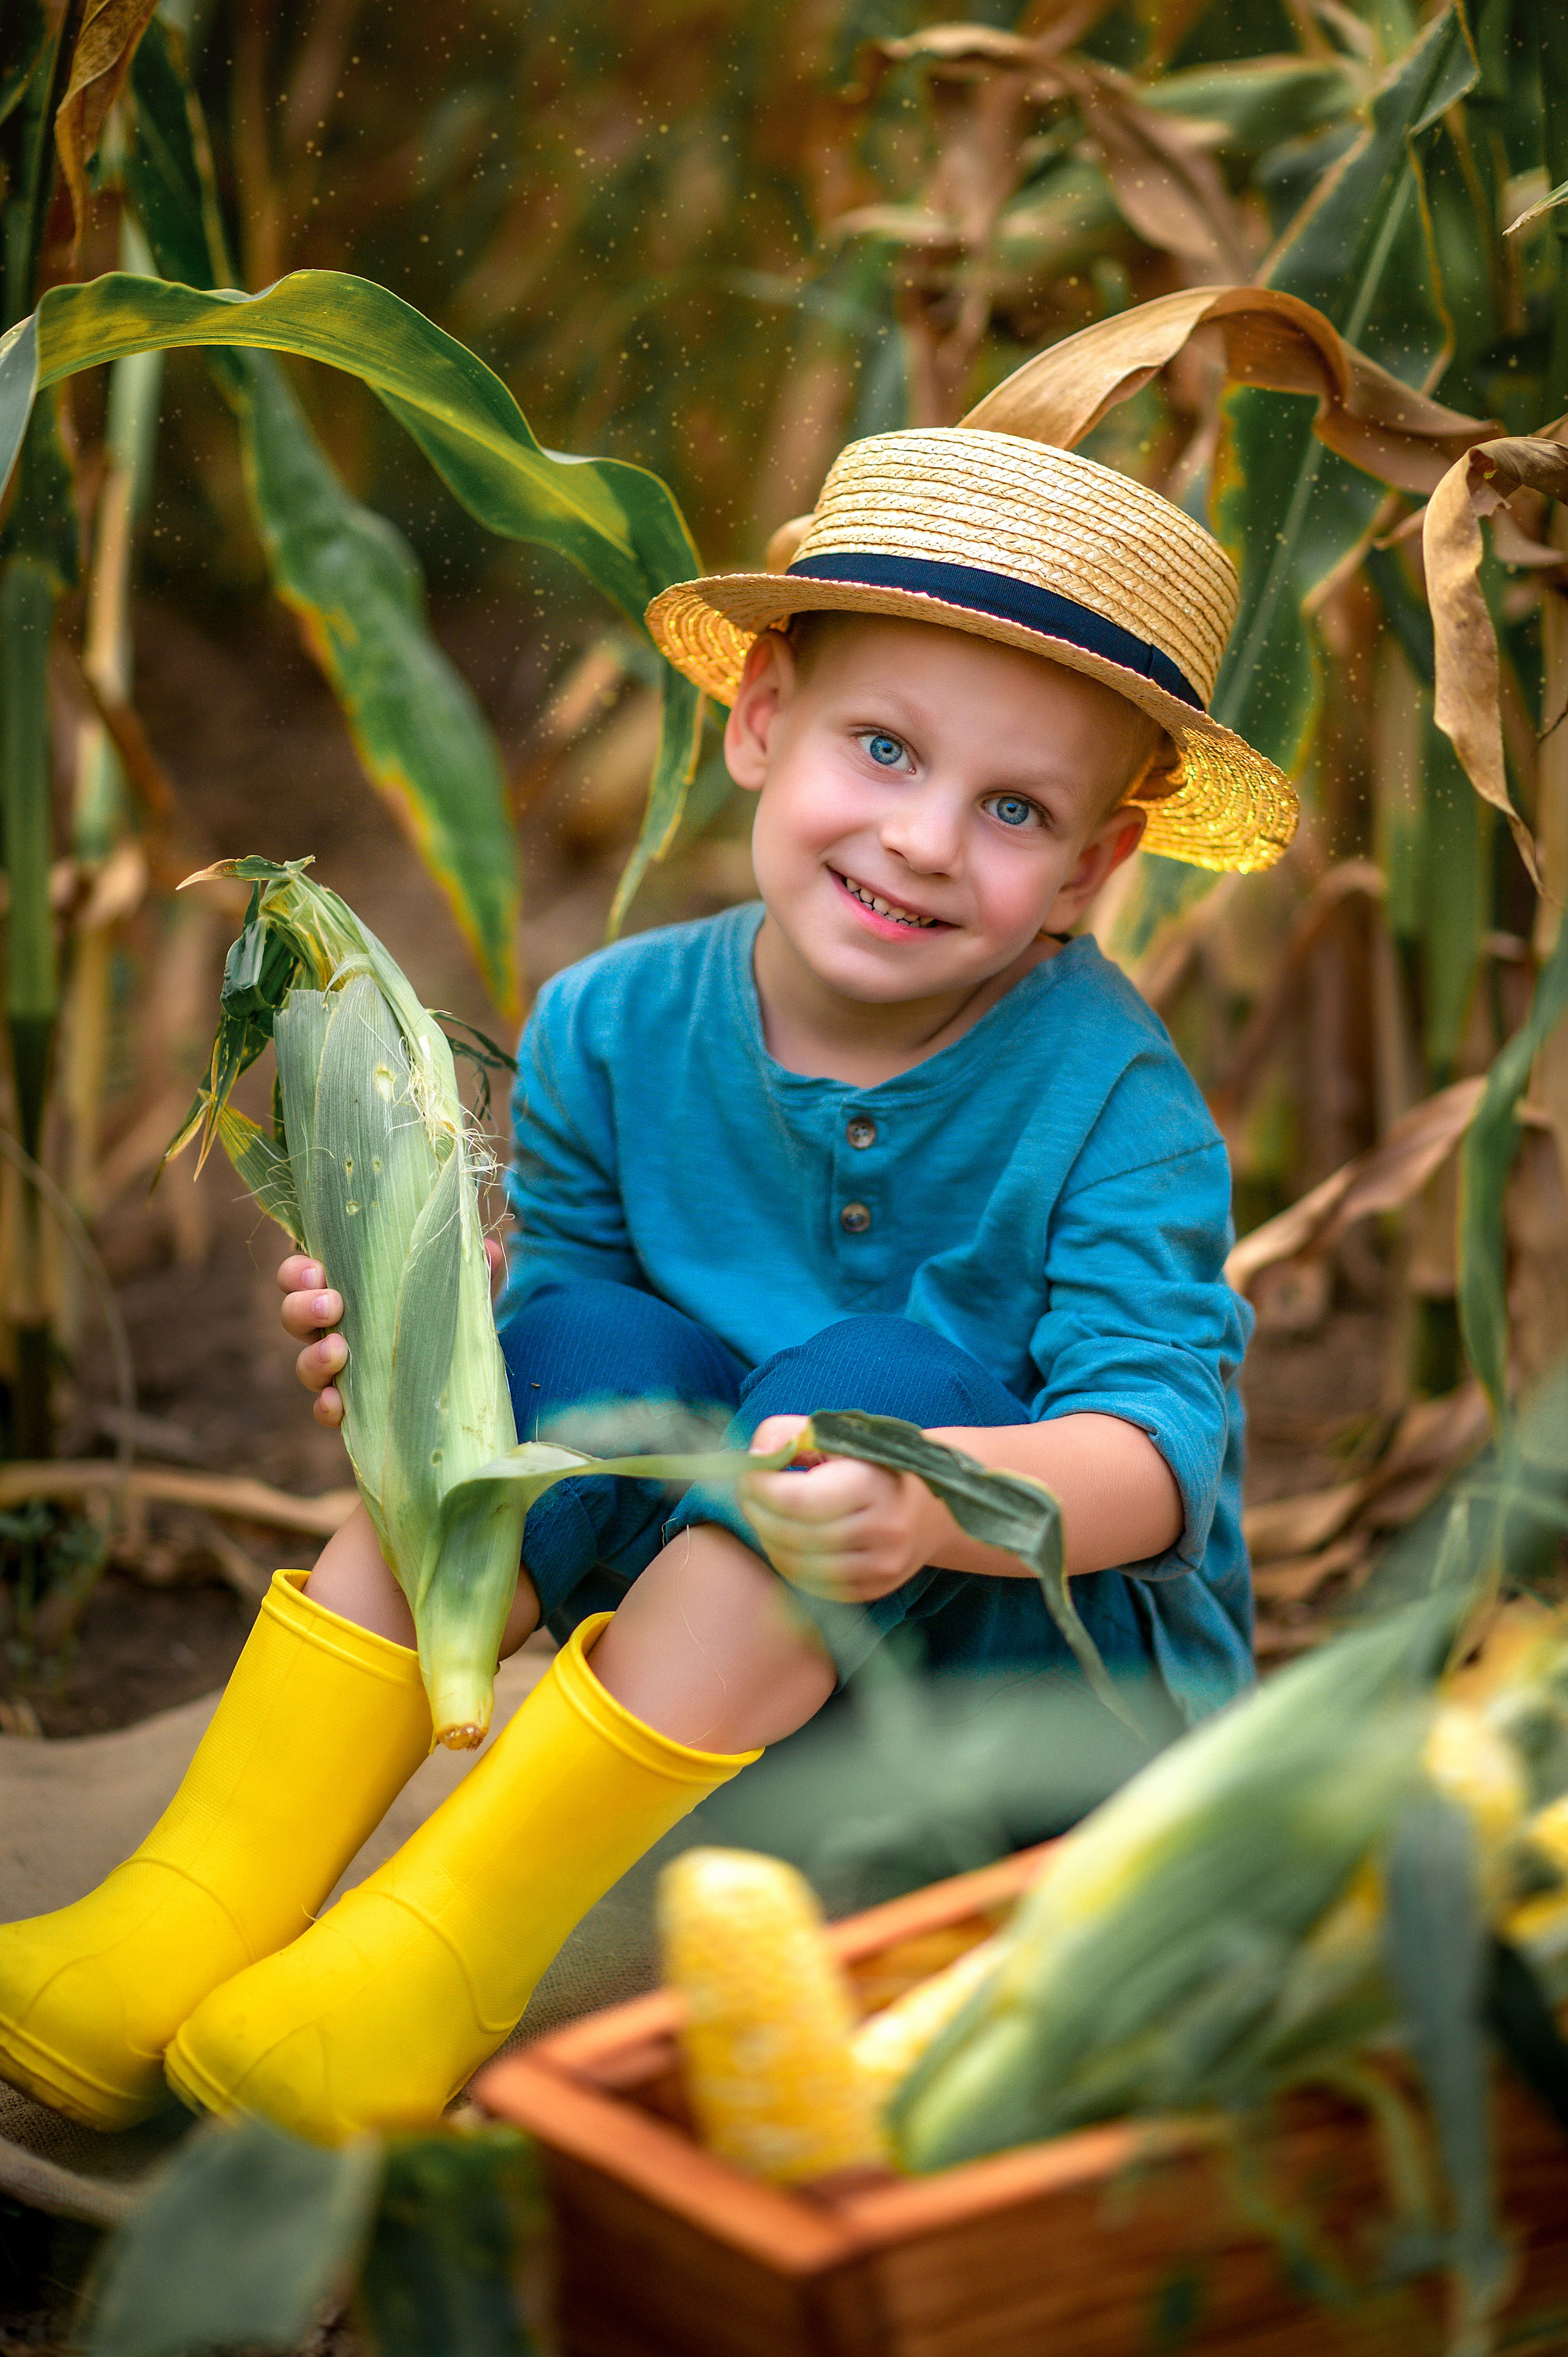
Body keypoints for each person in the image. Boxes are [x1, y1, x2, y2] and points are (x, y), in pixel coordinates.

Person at [0, 425, 1296, 2144]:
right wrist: (414, 1365)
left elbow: (1161, 1460)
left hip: (1014, 1691)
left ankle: (436, 1956)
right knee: (567, 1344)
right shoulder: (613, 1023)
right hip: (734, 1650)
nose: (920, 840)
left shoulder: (1115, 1105)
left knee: (877, 1398)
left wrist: (934, 1512)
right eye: (885, 749)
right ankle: (202, 1896)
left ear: (1091, 871)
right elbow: (592, 1376)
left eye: (1012, 809)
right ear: (761, 718)